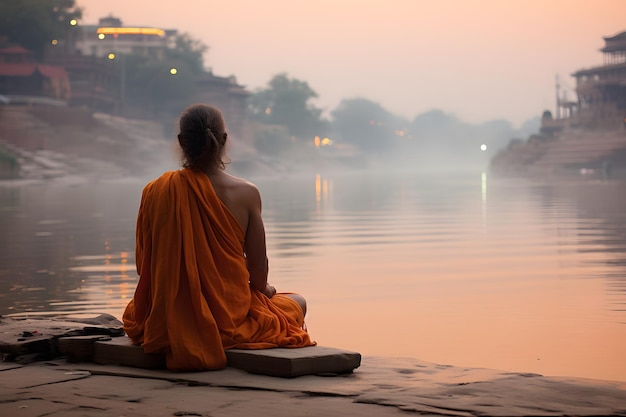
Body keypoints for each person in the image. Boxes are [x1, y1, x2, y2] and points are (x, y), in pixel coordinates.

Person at [123, 103, 315, 371]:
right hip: (230, 318)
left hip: (166, 317)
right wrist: (266, 291)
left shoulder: (155, 191)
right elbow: (259, 275)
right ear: (224, 140)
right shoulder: (246, 193)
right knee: (297, 303)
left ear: (181, 142)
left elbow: (143, 268)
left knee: (135, 310)